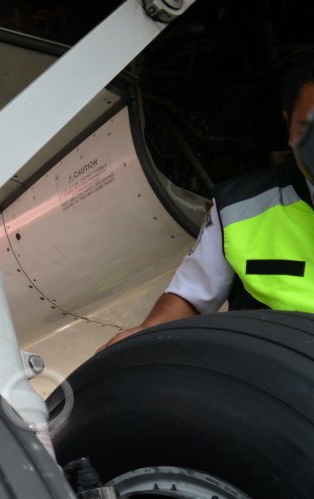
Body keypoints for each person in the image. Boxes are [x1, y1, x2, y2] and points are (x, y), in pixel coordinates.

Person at [102, 57, 314, 349]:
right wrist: (148, 333)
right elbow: (191, 297)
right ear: (287, 121)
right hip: (269, 376)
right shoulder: (238, 206)